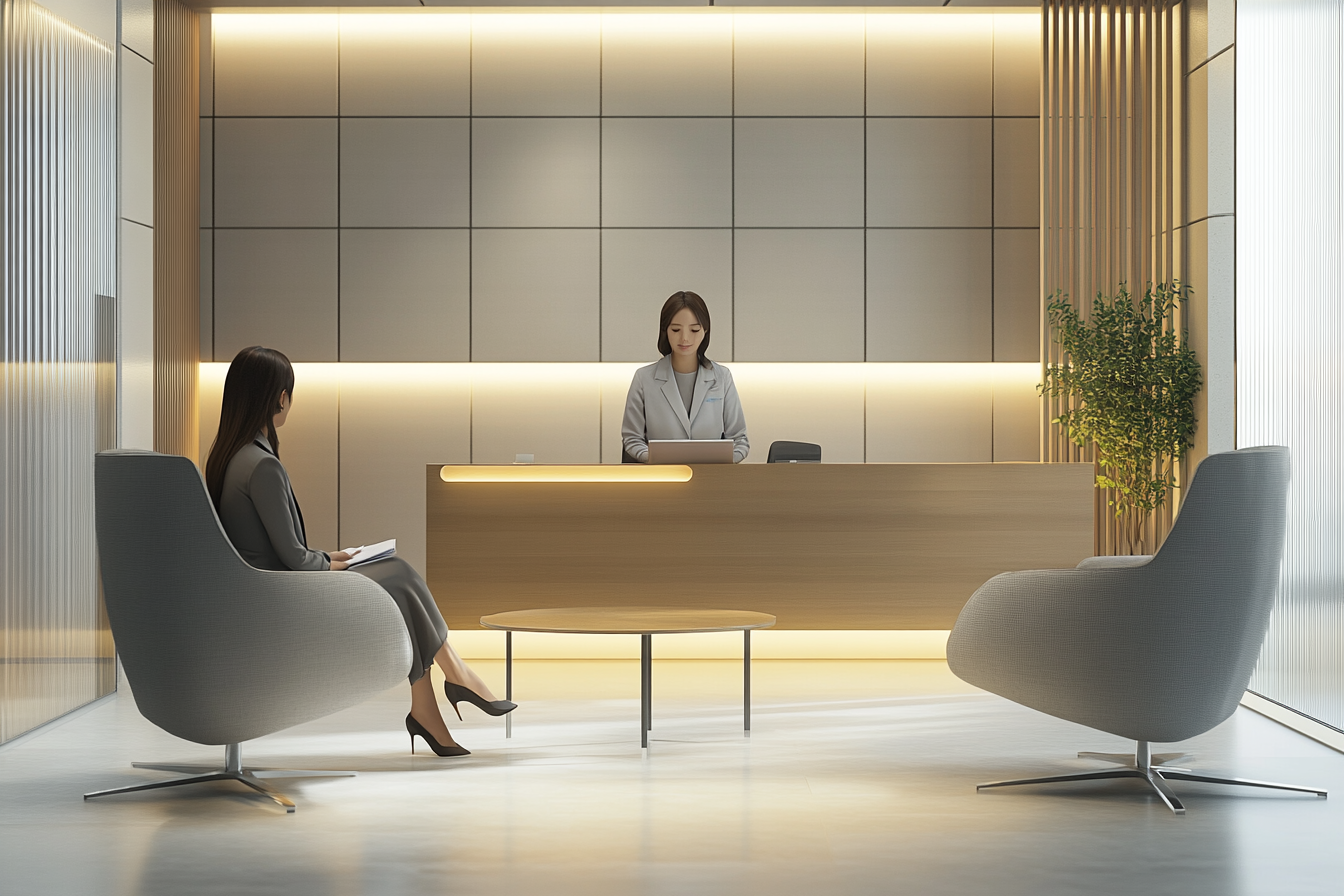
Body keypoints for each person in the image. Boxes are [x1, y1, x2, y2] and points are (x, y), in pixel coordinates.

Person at [204, 346, 514, 758]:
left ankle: (430, 705)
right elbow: (294, 560)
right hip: (280, 597)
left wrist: (335, 557)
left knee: (395, 571)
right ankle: (454, 676)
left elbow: (273, 548)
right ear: (280, 397)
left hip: (262, 588)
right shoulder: (262, 465)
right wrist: (332, 562)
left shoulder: (232, 457)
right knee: (399, 574)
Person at [622, 291, 749, 463]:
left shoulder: (722, 377)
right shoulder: (644, 378)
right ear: (665, 330)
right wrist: (657, 459)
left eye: (694, 329)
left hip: (712, 481)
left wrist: (723, 464)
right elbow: (632, 439)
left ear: (705, 330)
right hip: (662, 479)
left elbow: (740, 440)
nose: (685, 338)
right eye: (675, 329)